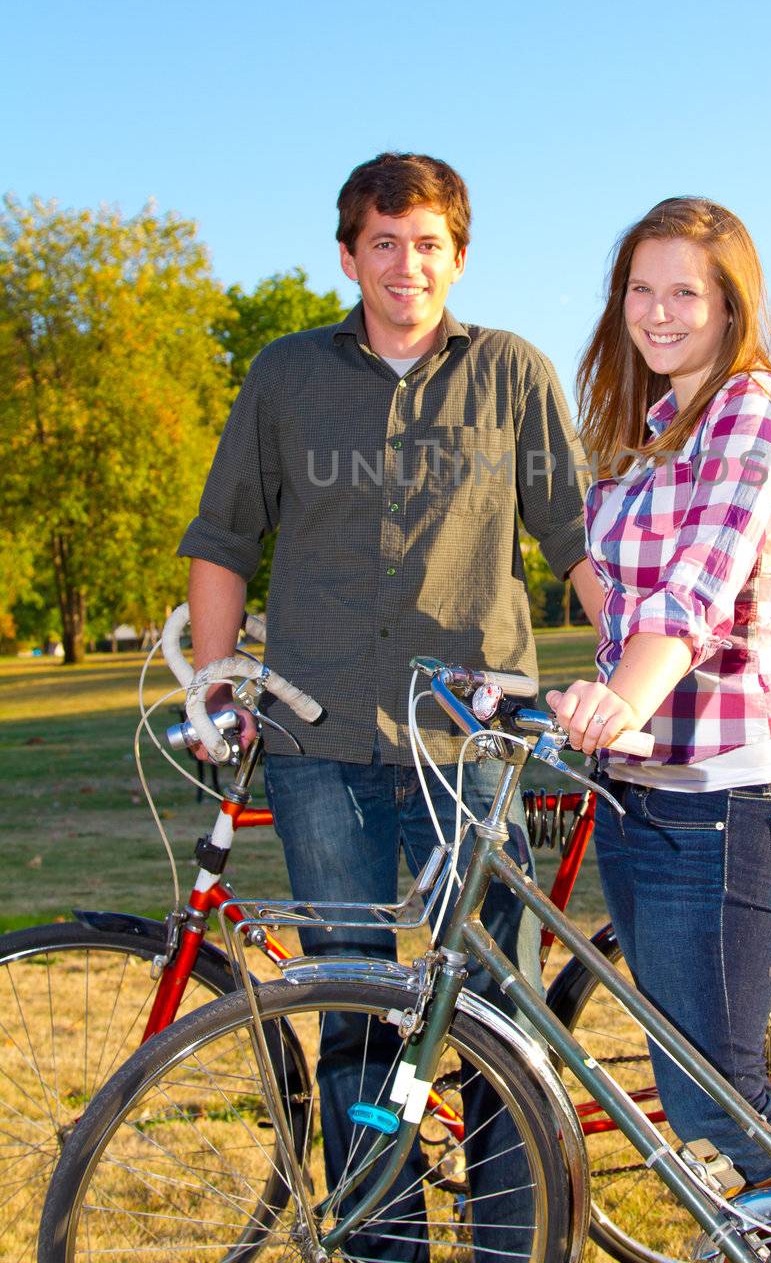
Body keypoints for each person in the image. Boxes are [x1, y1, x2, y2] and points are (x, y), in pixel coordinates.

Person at [179, 151, 599, 1256]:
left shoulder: (511, 372)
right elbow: (223, 539)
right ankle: (380, 1242)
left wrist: (631, 664)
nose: (405, 264)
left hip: (468, 749)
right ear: (347, 254)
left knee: (495, 1010)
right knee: (359, 1010)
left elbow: (573, 542)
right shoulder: (284, 375)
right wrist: (216, 683)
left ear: (457, 254)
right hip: (318, 743)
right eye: (382, 242)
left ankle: (516, 1240)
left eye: (427, 244)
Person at [547, 196, 771, 1196]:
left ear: (728, 304)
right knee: (692, 1086)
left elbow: (696, 590)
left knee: (715, 1096)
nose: (657, 313)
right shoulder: (645, 432)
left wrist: (620, 698)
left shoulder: (757, 408)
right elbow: (617, 604)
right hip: (639, 786)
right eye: (639, 289)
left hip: (730, 786)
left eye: (683, 291)